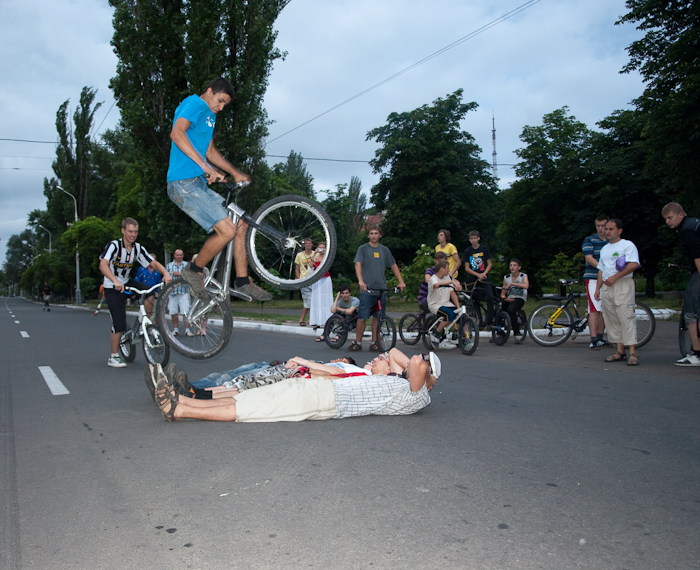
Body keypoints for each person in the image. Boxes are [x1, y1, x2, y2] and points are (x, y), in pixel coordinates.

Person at [166, 76, 271, 303]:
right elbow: (177, 134)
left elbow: (210, 150)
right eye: (220, 101)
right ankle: (193, 269)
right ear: (210, 90)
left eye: (225, 105)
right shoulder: (195, 104)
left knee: (240, 224)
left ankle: (242, 282)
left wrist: (233, 172)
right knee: (227, 231)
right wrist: (204, 167)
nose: (221, 108)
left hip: (196, 184)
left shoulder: (210, 116)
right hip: (182, 185)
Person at [150, 348, 441, 423]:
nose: (420, 357)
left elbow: (410, 363)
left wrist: (427, 374)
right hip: (319, 390)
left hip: (327, 400)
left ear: (429, 380)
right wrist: (425, 368)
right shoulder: (401, 381)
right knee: (256, 394)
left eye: (426, 361)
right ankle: (183, 402)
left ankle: (182, 409)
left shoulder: (416, 396)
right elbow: (395, 355)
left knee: (255, 406)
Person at [99, 218, 171, 368]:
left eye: (136, 232)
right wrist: (114, 280)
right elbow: (103, 265)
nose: (133, 235)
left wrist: (165, 273)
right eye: (130, 231)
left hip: (126, 282)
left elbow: (152, 262)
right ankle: (113, 356)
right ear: (123, 231)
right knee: (119, 322)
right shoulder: (114, 246)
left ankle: (145, 323)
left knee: (149, 292)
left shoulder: (137, 248)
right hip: (112, 285)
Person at [350, 225, 406, 352]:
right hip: (367, 288)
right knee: (363, 317)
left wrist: (401, 281)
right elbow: (358, 264)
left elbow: (393, 265)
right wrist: (361, 281)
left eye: (376, 233)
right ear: (368, 235)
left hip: (381, 289)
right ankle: (357, 342)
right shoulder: (363, 249)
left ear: (380, 235)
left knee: (378, 317)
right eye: (371, 233)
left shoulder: (384, 250)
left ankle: (374, 342)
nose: (374, 235)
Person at [595, 218, 641, 366]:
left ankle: (632, 352)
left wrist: (615, 277)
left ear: (619, 231)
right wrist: (598, 288)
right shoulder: (604, 249)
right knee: (611, 318)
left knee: (625, 316)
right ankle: (619, 350)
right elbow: (602, 270)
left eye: (610, 229)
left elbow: (633, 264)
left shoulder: (627, 245)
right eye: (606, 229)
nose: (607, 232)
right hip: (608, 286)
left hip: (622, 283)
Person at [662, 202, 700, 366]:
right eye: (665, 219)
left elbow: (698, 255)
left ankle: (696, 354)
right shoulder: (695, 223)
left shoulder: (686, 230)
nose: (667, 221)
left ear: (680, 215)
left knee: (691, 311)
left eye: (670, 217)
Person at [582, 215, 611, 350]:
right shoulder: (590, 240)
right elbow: (589, 257)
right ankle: (593, 339)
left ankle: (600, 337)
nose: (601, 229)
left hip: (608, 278)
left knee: (605, 308)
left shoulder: (611, 241)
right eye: (598, 226)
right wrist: (603, 268)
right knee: (594, 308)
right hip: (593, 278)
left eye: (603, 226)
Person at [462, 230, 496, 327]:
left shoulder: (484, 248)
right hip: (473, 278)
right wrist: (477, 275)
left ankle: (489, 320)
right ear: (469, 240)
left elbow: (489, 264)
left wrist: (483, 274)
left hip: (484, 276)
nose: (473, 240)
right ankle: (479, 321)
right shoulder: (467, 251)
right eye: (471, 239)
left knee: (490, 296)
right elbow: (467, 268)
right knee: (474, 298)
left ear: (478, 238)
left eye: (475, 238)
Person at [427, 259, 461, 349]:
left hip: (447, 303)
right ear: (442, 269)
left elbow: (452, 293)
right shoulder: (433, 278)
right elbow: (436, 285)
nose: (449, 270)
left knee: (459, 315)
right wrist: (451, 282)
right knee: (449, 314)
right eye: (447, 268)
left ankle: (455, 336)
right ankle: (436, 334)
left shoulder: (447, 277)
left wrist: (458, 308)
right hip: (435, 304)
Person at [165, 249, 193, 336]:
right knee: (173, 311)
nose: (179, 256)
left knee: (185, 311)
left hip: (183, 291)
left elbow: (190, 276)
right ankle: (175, 330)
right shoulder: (169, 266)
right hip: (172, 292)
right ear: (174, 255)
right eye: (177, 255)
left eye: (180, 255)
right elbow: (166, 278)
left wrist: (179, 274)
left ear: (183, 255)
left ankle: (187, 330)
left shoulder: (186, 265)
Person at [501, 258, 529, 344]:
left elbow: (526, 285)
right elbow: (503, 292)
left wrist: (513, 283)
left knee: (511, 310)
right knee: (499, 309)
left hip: (520, 298)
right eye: (511, 265)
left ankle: (517, 333)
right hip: (510, 297)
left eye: (514, 265)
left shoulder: (523, 276)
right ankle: (499, 331)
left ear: (519, 267)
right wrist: (504, 298)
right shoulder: (506, 277)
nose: (512, 267)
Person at [309, 241, 333, 330]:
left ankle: (328, 320)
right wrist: (314, 253)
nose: (321, 249)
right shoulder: (315, 257)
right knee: (317, 299)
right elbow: (311, 266)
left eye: (323, 247)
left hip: (326, 279)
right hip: (317, 280)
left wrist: (326, 253)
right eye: (320, 247)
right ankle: (317, 321)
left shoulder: (327, 257)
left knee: (326, 299)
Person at [134, 252, 162, 319]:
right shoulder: (141, 269)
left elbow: (159, 283)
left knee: (153, 311)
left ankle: (149, 326)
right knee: (143, 311)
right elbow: (137, 281)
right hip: (144, 293)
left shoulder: (157, 271)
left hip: (154, 293)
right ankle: (141, 327)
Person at [295, 237, 315, 326]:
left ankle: (310, 319)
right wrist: (299, 279)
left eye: (309, 243)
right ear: (304, 245)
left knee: (313, 301)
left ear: (312, 244)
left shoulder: (315, 253)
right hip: (304, 279)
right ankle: (304, 319)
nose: (308, 245)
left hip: (314, 279)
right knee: (307, 300)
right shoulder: (299, 255)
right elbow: (297, 268)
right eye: (306, 243)